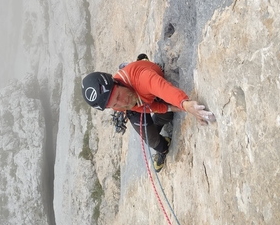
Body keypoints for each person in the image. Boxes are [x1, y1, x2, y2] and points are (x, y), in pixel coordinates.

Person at [81, 56, 215, 172]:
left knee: (166, 116)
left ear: (118, 83)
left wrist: (185, 104)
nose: (122, 102)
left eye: (118, 95)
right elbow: (145, 107)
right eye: (115, 104)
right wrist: (170, 108)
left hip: (147, 88)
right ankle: (163, 147)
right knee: (153, 140)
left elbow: (164, 89)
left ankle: (142, 63)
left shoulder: (142, 79)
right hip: (140, 102)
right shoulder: (119, 106)